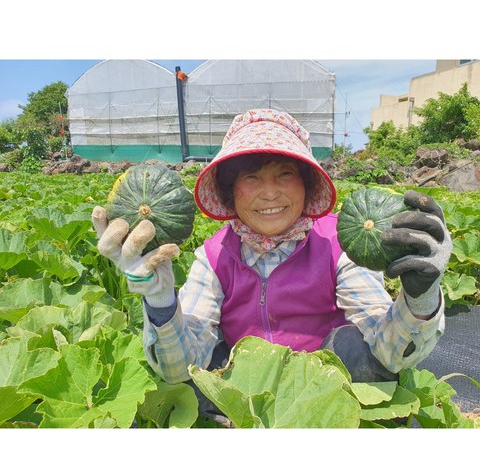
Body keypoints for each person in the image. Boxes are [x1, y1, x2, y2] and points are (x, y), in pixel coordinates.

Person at [92, 108, 452, 422]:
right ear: (231, 190)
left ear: (307, 185)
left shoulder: (336, 245)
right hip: (243, 399)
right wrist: (159, 301)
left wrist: (420, 297)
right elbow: (177, 369)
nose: (269, 193)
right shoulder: (214, 256)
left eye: (285, 174)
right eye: (251, 177)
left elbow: (387, 351)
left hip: (325, 398)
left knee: (354, 348)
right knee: (199, 370)